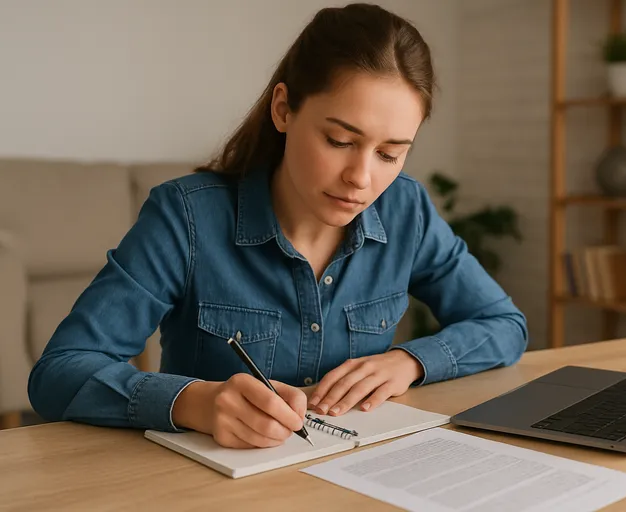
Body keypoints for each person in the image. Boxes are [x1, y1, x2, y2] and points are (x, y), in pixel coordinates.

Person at [27, 3, 528, 449]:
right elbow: (59, 372)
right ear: (283, 108)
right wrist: (195, 402)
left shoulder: (407, 211)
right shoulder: (186, 216)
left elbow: (504, 326)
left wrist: (410, 363)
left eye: (390, 153)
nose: (362, 178)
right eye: (338, 140)